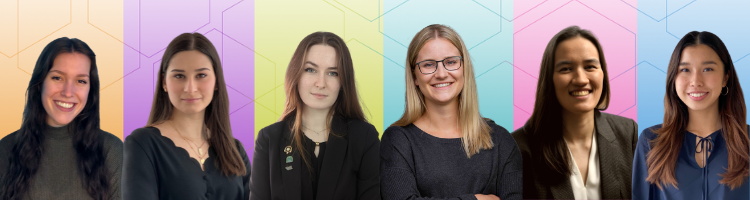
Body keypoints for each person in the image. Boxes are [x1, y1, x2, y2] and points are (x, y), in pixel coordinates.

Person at [380, 24, 522, 200]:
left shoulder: (501, 141)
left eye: (451, 62)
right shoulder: (398, 141)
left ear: (464, 68)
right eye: (428, 64)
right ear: (415, 76)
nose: (441, 74)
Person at [511, 25, 638, 200]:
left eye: (590, 67)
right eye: (566, 69)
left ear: (603, 73)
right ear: (550, 79)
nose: (580, 79)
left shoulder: (628, 133)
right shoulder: (518, 148)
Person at [250, 31, 380, 200]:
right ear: (296, 75)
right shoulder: (269, 139)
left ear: (343, 82)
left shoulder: (364, 138)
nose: (320, 83)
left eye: (333, 73)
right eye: (311, 70)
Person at [123, 33, 250, 200]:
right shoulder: (143, 144)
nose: (190, 88)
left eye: (201, 75)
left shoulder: (235, 151)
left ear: (217, 81)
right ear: (164, 82)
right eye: (179, 76)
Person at [0, 37, 122, 200]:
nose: (68, 92)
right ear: (40, 82)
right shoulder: (6, 149)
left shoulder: (111, 150)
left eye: (81, 81)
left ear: (90, 91)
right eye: (57, 78)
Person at [632, 31, 749, 200]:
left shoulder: (747, 142)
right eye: (685, 69)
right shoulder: (651, 142)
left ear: (726, 77)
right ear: (674, 77)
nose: (696, 81)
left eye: (708, 69)